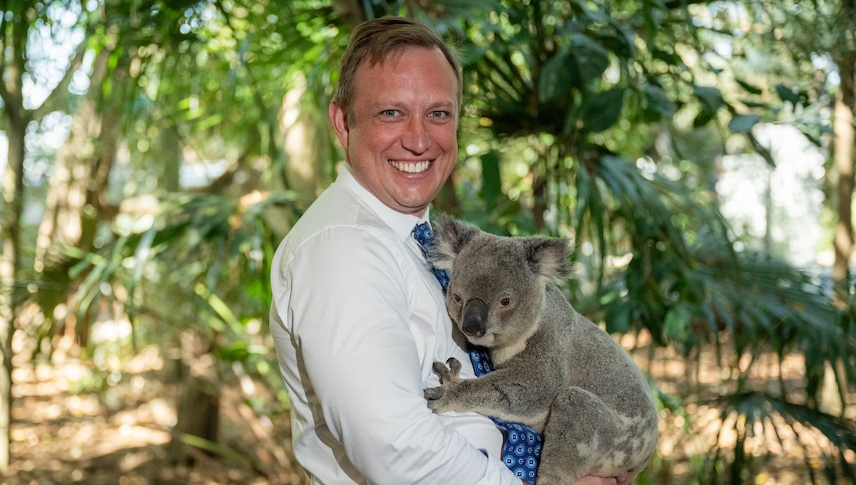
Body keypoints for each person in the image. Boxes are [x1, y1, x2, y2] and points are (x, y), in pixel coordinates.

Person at [269, 16, 634, 485]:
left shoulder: (428, 242)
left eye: (438, 114)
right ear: (343, 122)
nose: (419, 140)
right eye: (390, 113)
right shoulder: (342, 249)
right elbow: (397, 452)